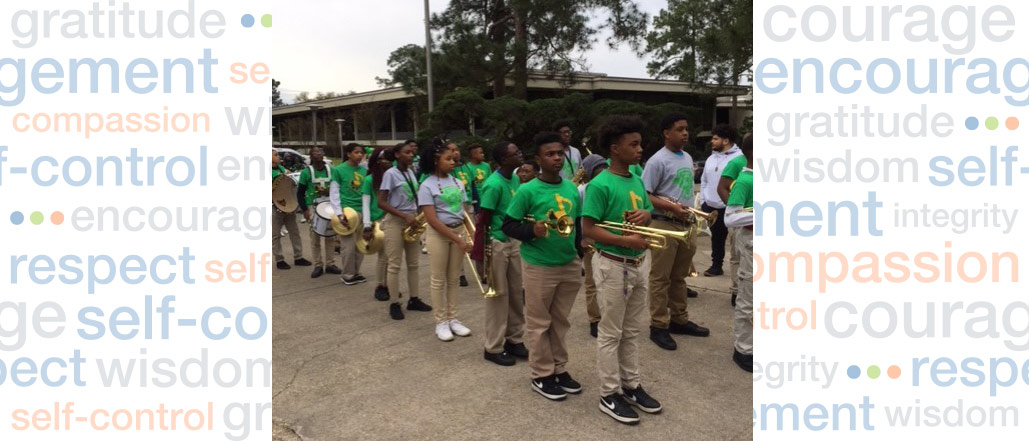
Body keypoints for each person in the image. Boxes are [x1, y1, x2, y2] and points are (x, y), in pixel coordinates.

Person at [582, 115, 661, 425]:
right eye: (634, 144)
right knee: (611, 332)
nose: (640, 149)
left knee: (631, 330)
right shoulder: (599, 184)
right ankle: (608, 393)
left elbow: (645, 214)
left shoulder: (636, 179)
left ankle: (631, 385)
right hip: (613, 264)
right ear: (615, 149)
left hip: (640, 262)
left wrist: (647, 214)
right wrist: (624, 239)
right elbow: (588, 229)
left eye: (640, 143)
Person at [502, 132, 583, 402]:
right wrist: (531, 231)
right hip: (539, 265)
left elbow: (578, 224)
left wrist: (580, 254)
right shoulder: (527, 190)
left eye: (560, 153)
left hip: (568, 262)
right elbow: (508, 225)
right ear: (538, 159)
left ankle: (559, 368)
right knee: (539, 323)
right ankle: (541, 374)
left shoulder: (571, 187)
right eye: (550, 154)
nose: (557, 158)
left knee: (560, 321)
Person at [641, 114, 711, 351]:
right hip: (664, 224)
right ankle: (658, 325)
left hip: (686, 224)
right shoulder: (656, 161)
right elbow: (645, 195)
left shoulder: (688, 156)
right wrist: (671, 207)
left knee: (679, 276)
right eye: (679, 129)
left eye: (686, 128)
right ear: (666, 133)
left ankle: (679, 320)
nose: (685, 133)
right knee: (660, 278)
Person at [477, 141, 528, 366]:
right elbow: (482, 221)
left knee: (516, 293)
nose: (520, 154)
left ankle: (514, 338)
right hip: (497, 243)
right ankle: (493, 346)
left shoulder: (515, 178)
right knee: (498, 296)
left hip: (514, 241)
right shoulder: (493, 184)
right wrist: (480, 256)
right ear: (504, 160)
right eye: (515, 153)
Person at [418, 141, 473, 341]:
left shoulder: (458, 183)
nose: (453, 161)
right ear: (435, 161)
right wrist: (457, 239)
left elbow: (463, 211)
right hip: (439, 235)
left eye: (453, 158)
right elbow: (431, 219)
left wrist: (470, 233)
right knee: (438, 280)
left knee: (453, 279)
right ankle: (440, 322)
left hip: (458, 232)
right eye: (447, 159)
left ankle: (454, 319)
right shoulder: (426, 185)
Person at [378, 142, 433, 320]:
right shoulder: (390, 174)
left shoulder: (410, 172)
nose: (411, 155)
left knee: (413, 264)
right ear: (397, 155)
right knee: (394, 264)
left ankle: (414, 299)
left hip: (412, 220)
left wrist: (418, 216)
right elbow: (382, 202)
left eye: (412, 152)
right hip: (395, 221)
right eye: (407, 152)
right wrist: (404, 216)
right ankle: (394, 303)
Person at [723, 134, 753, 373]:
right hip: (752, 242)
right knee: (749, 298)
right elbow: (731, 217)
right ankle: (743, 349)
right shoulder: (745, 181)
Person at [700, 124, 742, 277]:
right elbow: (704, 180)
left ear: (725, 141)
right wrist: (704, 201)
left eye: (715, 138)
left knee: (736, 240)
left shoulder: (739, 158)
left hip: (731, 206)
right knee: (716, 238)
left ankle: (740, 269)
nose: (712, 141)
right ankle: (716, 266)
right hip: (711, 206)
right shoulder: (711, 158)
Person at [298, 147, 341, 278]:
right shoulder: (306, 173)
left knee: (330, 236)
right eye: (316, 152)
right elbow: (300, 193)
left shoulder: (332, 170)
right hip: (314, 206)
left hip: (329, 206)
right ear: (310, 156)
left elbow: (337, 188)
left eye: (321, 152)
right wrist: (305, 209)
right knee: (315, 238)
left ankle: (330, 263)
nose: (319, 154)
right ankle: (318, 265)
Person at [577, 154, 608, 338]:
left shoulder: (609, 186)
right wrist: (582, 238)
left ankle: (609, 315)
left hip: (610, 238)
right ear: (589, 173)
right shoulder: (583, 190)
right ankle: (595, 319)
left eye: (605, 167)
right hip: (590, 239)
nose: (603, 172)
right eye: (598, 169)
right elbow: (579, 217)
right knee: (592, 281)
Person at [331, 143, 368, 285]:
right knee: (348, 246)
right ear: (348, 154)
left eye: (361, 153)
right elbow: (334, 193)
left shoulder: (365, 169)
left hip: (363, 211)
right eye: (356, 152)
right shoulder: (339, 170)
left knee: (361, 244)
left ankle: (356, 272)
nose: (360, 155)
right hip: (347, 212)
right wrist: (339, 214)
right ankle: (347, 275)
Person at [272, 149, 311, 270]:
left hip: (287, 205)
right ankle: (279, 259)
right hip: (274, 206)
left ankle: (298, 256)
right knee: (275, 234)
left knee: (294, 232)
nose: (279, 157)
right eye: (275, 155)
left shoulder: (281, 168)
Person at [718, 151, 748, 307]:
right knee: (737, 257)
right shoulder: (737, 163)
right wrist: (735, 208)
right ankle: (736, 291)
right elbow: (722, 187)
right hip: (741, 220)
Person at [363, 146, 391, 301]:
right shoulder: (369, 179)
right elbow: (366, 203)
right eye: (383, 158)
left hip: (394, 219)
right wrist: (367, 225)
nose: (386, 162)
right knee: (384, 256)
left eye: (388, 158)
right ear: (377, 160)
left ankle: (389, 284)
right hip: (379, 221)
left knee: (393, 257)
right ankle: (380, 285)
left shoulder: (394, 177)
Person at [459, 143, 491, 212]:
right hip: (476, 200)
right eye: (481, 153)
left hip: (488, 199)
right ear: (474, 155)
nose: (483, 154)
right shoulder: (467, 168)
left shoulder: (486, 166)